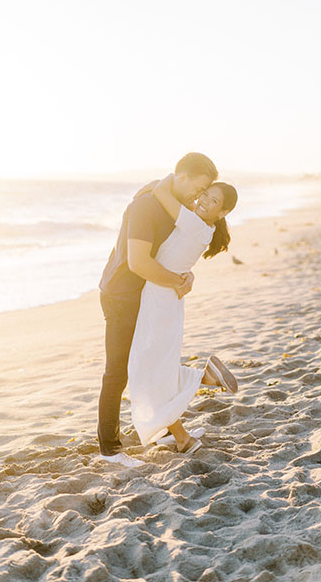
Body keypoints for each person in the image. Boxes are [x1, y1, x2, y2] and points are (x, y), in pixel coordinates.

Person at [96, 153, 217, 467]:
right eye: (199, 188)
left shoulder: (173, 205)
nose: (199, 196)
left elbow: (172, 253)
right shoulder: (145, 206)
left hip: (147, 295)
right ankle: (108, 449)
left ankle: (165, 429)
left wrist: (187, 276)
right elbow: (139, 263)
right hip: (122, 295)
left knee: (151, 362)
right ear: (182, 176)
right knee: (118, 371)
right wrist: (178, 282)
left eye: (206, 192)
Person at [128, 175, 238, 454]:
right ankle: (183, 430)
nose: (203, 201)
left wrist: (149, 188)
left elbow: (166, 190)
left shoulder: (193, 224)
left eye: (212, 200)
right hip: (165, 297)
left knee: (147, 371)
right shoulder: (204, 228)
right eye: (204, 194)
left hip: (159, 299)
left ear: (222, 212)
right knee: (152, 369)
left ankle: (185, 428)